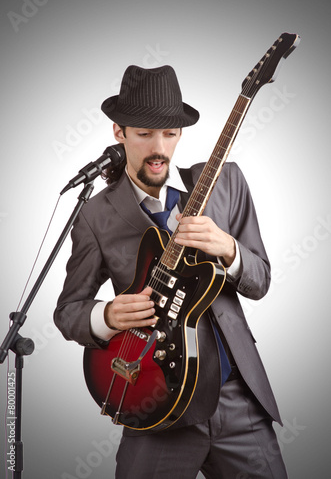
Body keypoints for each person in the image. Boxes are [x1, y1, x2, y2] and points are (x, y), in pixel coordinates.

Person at [54, 64, 288, 478]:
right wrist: (105, 316)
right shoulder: (95, 216)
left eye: (170, 133)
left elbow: (261, 279)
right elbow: (69, 309)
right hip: (155, 401)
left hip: (239, 405)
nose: (158, 147)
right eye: (144, 134)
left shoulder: (225, 183)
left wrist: (229, 249)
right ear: (118, 132)